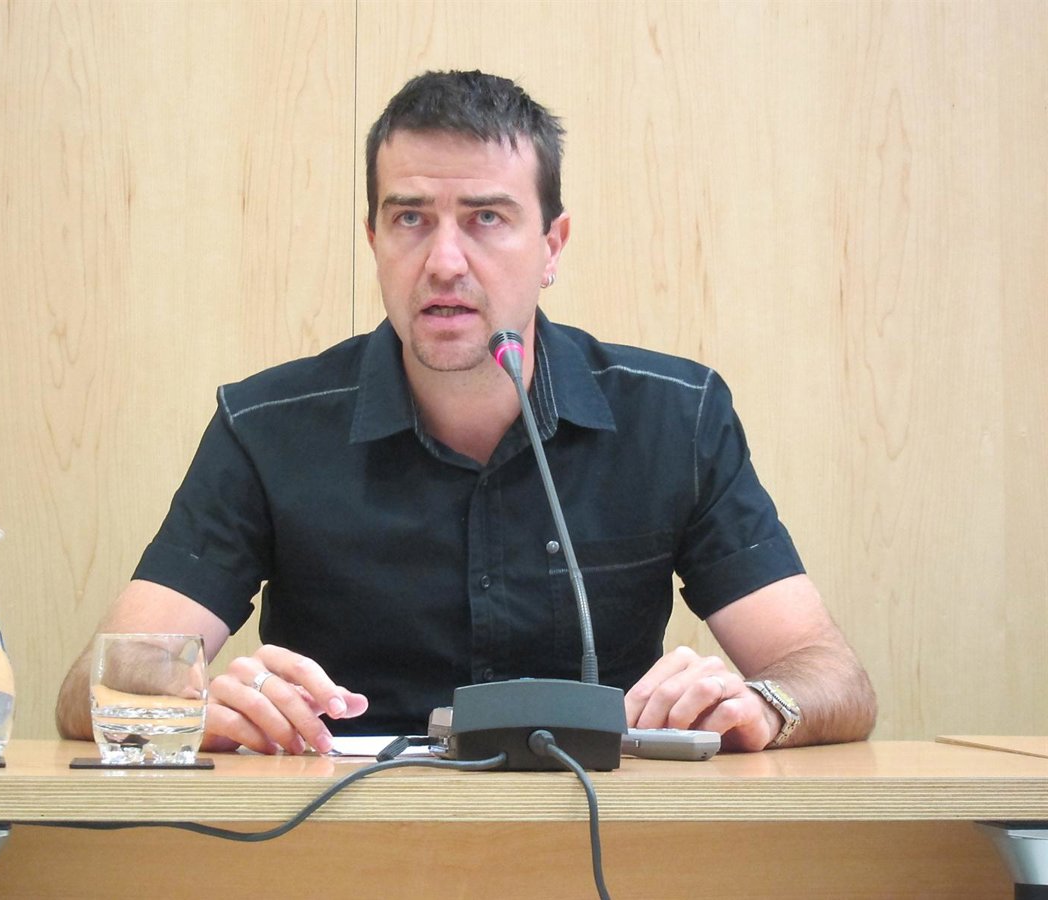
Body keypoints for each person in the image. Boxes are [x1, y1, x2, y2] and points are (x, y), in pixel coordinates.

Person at [56, 70, 876, 756]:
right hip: (340, 844)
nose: (445, 261)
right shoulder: (266, 428)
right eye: (410, 218)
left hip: (606, 841)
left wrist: (766, 705)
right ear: (374, 239)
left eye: (487, 218)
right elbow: (93, 690)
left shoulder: (675, 417)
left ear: (552, 246)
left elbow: (828, 672)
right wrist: (188, 711)